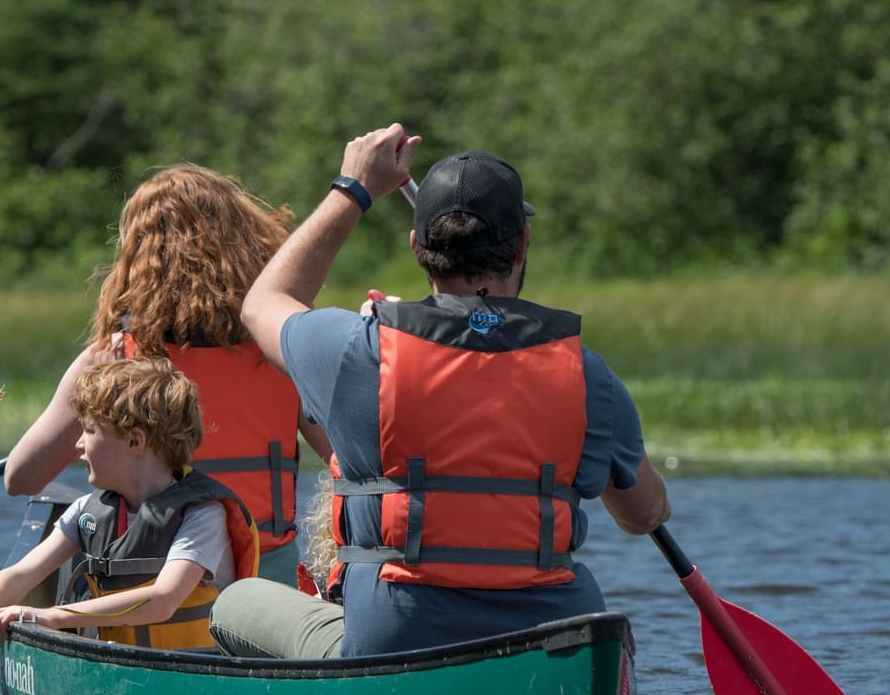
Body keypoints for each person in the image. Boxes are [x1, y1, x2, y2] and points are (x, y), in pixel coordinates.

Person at [209, 124, 671, 659]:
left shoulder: (358, 353)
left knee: (236, 599)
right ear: (522, 243)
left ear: (417, 248)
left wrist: (354, 188)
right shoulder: (586, 374)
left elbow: (264, 302)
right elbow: (643, 514)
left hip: (395, 643)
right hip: (552, 643)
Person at [0, 163, 331, 588]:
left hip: (148, 583)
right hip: (265, 584)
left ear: (139, 259)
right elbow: (349, 458)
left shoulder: (115, 361)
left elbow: (20, 479)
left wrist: (93, 426)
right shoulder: (282, 352)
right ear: (249, 246)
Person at [0, 357, 260, 651]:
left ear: (134, 440)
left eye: (90, 431)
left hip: (191, 676)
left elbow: (163, 599)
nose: (78, 445)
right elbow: (22, 574)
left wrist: (52, 616)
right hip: (122, 672)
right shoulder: (88, 512)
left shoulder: (202, 515)